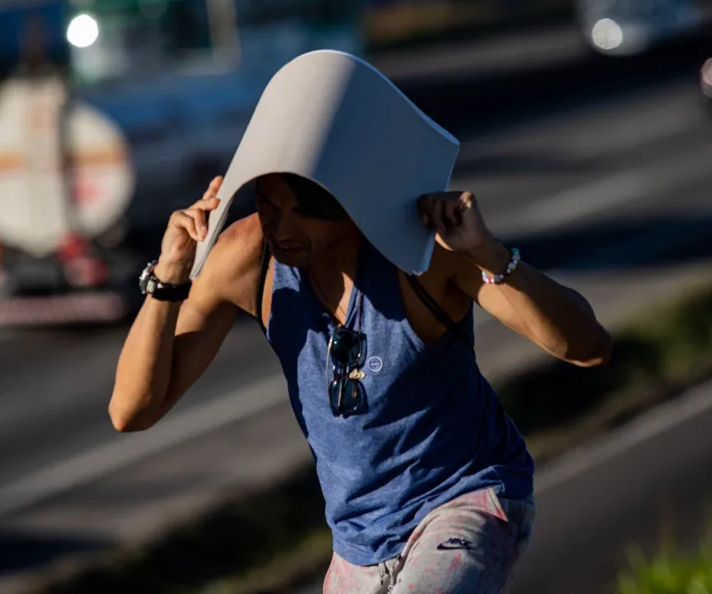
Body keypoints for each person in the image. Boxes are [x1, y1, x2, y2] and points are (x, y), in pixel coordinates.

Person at [110, 169, 612, 592]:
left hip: (466, 499)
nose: (281, 227)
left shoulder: (421, 256)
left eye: (301, 209)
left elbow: (586, 346)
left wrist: (487, 253)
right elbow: (132, 409)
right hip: (358, 541)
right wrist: (170, 274)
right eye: (267, 205)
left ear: (352, 202)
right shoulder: (248, 257)